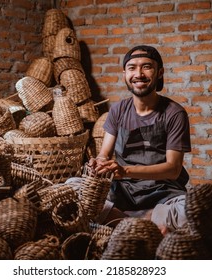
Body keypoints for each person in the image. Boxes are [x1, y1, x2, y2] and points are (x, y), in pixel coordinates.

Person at [89, 45, 191, 235]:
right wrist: (99, 164)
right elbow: (104, 153)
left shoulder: (174, 113)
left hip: (163, 194)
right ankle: (143, 224)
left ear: (159, 73)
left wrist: (124, 170)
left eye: (146, 67)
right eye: (132, 68)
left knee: (192, 211)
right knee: (72, 186)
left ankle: (124, 222)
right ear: (124, 74)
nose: (139, 74)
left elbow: (173, 169)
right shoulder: (118, 110)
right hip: (122, 192)